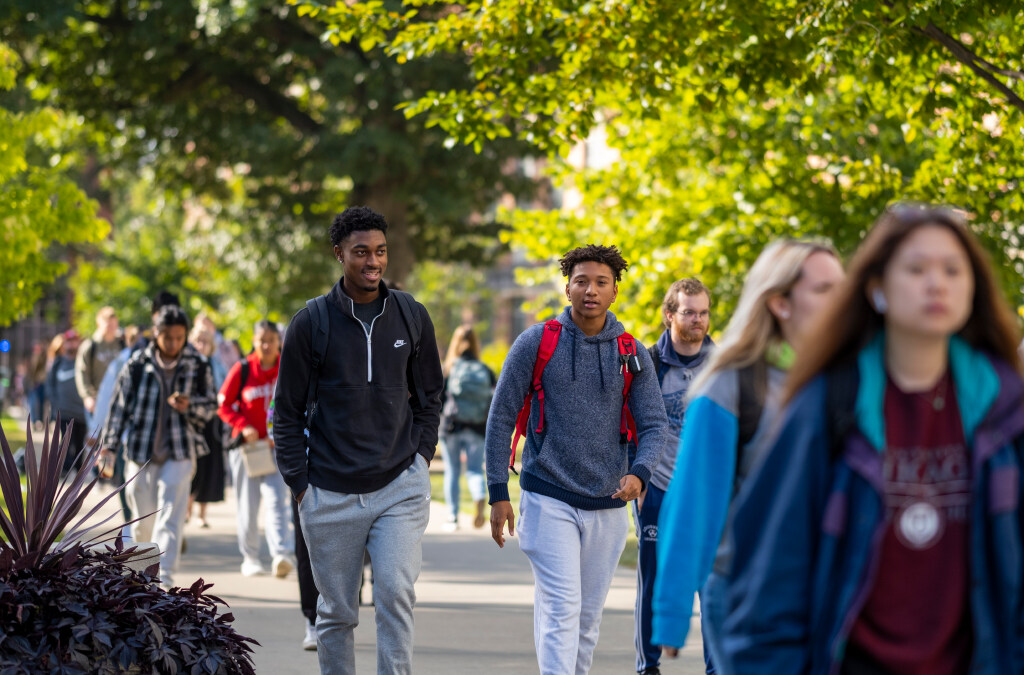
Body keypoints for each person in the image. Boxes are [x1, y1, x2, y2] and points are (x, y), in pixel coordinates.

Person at [717, 205, 1024, 674]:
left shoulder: (1005, 408)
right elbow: (769, 582)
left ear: (973, 289)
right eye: (916, 268)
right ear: (877, 289)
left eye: (952, 270)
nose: (936, 283)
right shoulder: (827, 404)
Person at [651, 242, 844, 669]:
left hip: (830, 595)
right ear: (780, 303)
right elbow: (693, 507)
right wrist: (671, 612)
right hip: (749, 598)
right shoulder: (729, 385)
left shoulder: (849, 381)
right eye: (824, 289)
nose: (841, 300)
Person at [485, 244, 671, 674]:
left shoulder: (631, 352)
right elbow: (500, 418)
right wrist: (498, 491)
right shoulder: (536, 341)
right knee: (561, 607)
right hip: (548, 493)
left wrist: (640, 474)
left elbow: (654, 424)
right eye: (581, 281)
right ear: (567, 287)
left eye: (600, 283)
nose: (590, 290)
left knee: (587, 619)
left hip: (607, 502)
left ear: (614, 292)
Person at [274, 206, 444, 674]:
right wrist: (301, 486)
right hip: (328, 492)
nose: (373, 262)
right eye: (361, 252)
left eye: (380, 251)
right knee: (338, 613)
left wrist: (421, 457)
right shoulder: (311, 323)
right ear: (339, 254)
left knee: (395, 593)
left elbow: (431, 394)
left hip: (398, 487)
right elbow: (285, 412)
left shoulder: (410, 315)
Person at [632, 277, 715, 675]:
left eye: (703, 312)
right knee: (654, 579)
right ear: (669, 315)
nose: (697, 320)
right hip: (659, 490)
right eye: (689, 312)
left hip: (709, 493)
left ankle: (718, 668)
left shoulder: (725, 364)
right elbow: (631, 426)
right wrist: (638, 477)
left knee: (713, 585)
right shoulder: (647, 362)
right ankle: (648, 667)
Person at [98, 305, 215, 588]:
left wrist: (190, 406)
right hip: (141, 454)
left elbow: (211, 405)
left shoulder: (198, 364)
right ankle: (141, 578)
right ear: (157, 334)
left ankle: (164, 581)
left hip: (180, 453)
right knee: (141, 522)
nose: (174, 343)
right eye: (168, 337)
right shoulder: (137, 364)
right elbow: (118, 409)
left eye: (179, 337)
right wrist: (109, 447)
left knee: (171, 521)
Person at [218, 320, 295, 578]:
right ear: (253, 341)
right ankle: (250, 557)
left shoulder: (288, 368)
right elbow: (224, 405)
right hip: (248, 451)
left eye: (271, 340)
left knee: (277, 502)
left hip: (277, 448)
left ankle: (281, 555)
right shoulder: (242, 369)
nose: (266, 345)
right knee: (248, 506)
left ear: (278, 342)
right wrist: (242, 426)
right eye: (261, 340)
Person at [439, 325, 495, 531]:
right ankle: (479, 496)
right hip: (477, 427)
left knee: (452, 471)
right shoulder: (484, 370)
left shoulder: (450, 368)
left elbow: (438, 398)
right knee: (474, 470)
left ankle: (453, 518)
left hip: (452, 426)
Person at [187, 324, 226, 528]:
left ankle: (202, 513)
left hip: (212, 423)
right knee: (192, 467)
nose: (201, 345)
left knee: (209, 467)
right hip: (192, 421)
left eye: (205, 342)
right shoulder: (187, 364)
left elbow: (224, 391)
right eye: (198, 341)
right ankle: (187, 508)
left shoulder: (215, 365)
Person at [75, 306, 124, 440]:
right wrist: (87, 396)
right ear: (99, 323)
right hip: (96, 400)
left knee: (115, 439)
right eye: (108, 323)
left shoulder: (122, 345)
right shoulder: (90, 346)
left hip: (118, 400)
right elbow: (81, 372)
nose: (111, 327)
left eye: (114, 324)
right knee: (94, 439)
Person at [46, 329, 87, 474]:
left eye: (74, 341)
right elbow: (50, 385)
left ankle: (77, 472)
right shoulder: (58, 363)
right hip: (63, 411)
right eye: (69, 341)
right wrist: (55, 403)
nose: (72, 344)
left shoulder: (83, 362)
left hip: (81, 412)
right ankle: (63, 469)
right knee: (64, 442)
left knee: (79, 443)